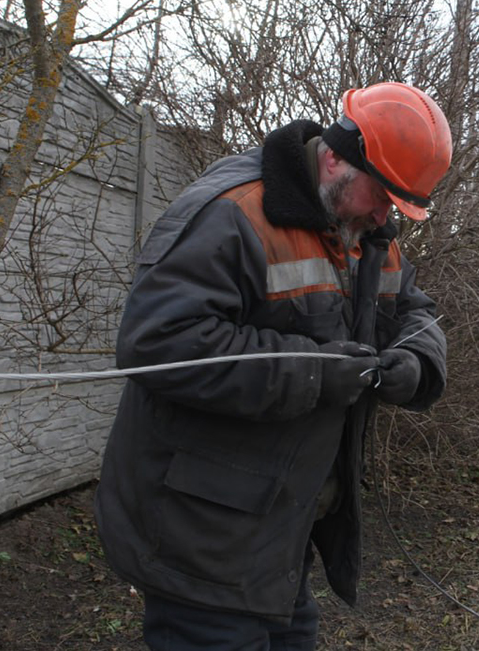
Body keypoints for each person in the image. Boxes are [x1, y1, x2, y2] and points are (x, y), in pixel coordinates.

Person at [94, 82, 452, 650]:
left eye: (398, 203)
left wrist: (416, 361)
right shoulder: (234, 213)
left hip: (281, 538)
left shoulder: (370, 233)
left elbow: (418, 313)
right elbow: (156, 343)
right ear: (335, 156)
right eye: (381, 193)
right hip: (202, 540)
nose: (387, 213)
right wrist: (313, 373)